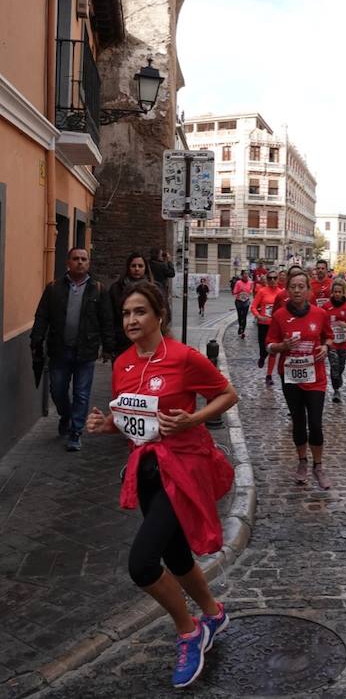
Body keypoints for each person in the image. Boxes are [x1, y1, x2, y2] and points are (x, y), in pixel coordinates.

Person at [86, 282, 238, 689]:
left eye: (139, 312)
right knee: (174, 554)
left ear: (158, 316)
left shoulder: (184, 358)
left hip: (184, 470)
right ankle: (214, 612)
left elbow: (227, 394)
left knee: (142, 564)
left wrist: (194, 418)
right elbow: (130, 421)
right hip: (148, 470)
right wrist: (105, 426)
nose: (131, 320)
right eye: (125, 314)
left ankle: (190, 631)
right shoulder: (121, 364)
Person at [30, 247, 114, 451]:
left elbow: (107, 320)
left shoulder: (98, 289)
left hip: (86, 350)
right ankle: (65, 416)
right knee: (57, 391)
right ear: (68, 262)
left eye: (84, 259)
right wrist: (37, 339)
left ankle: (76, 431)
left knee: (81, 394)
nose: (80, 262)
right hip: (60, 349)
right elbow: (42, 316)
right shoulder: (54, 288)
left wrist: (108, 347)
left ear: (88, 263)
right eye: (76, 259)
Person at [266, 269, 333, 488]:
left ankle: (319, 465)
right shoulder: (279, 316)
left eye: (300, 287)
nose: (296, 290)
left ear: (308, 290)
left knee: (315, 422)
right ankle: (302, 461)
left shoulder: (320, 314)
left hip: (316, 378)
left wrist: (325, 346)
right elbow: (269, 345)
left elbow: (329, 337)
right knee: (298, 421)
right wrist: (282, 346)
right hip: (291, 377)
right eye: (292, 287)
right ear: (287, 290)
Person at [109, 252, 155, 358]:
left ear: (145, 268)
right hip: (122, 342)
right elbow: (110, 317)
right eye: (133, 266)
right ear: (128, 268)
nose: (137, 269)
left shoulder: (154, 289)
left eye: (140, 266)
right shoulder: (116, 289)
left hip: (147, 342)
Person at [322, 279, 346, 402]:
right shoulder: (326, 306)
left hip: (344, 342)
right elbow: (321, 322)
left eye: (339, 292)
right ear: (332, 292)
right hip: (331, 343)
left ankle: (338, 379)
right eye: (335, 292)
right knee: (334, 365)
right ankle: (336, 390)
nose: (337, 294)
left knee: (341, 366)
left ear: (343, 293)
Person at [250, 269, 282, 385]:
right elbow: (253, 307)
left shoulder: (281, 293)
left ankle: (269, 375)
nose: (272, 280)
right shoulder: (262, 291)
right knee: (263, 349)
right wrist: (259, 316)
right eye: (270, 278)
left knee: (273, 350)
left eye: (275, 278)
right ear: (267, 280)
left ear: (278, 279)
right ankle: (262, 357)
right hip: (263, 324)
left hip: (275, 326)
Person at [232, 270, 252, 338]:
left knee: (244, 316)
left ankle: (242, 331)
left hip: (246, 301)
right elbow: (234, 292)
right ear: (242, 275)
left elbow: (250, 291)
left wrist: (249, 292)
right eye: (245, 274)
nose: (246, 275)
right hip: (239, 301)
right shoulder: (238, 282)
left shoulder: (250, 282)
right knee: (240, 316)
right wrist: (239, 291)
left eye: (247, 274)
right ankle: (240, 326)